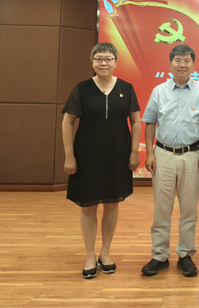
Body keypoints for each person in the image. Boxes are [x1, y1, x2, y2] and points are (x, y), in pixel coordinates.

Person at [62, 42, 141, 279]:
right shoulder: (82, 89)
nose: (103, 63)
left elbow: (136, 122)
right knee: (88, 206)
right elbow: (67, 122)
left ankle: (105, 253)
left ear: (116, 62)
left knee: (112, 203)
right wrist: (69, 156)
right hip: (87, 155)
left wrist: (134, 152)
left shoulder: (126, 88)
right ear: (92, 62)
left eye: (108, 59)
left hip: (117, 155)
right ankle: (90, 255)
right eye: (98, 59)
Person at [140, 44, 199, 277]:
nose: (182, 64)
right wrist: (150, 153)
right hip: (163, 155)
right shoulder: (159, 91)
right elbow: (150, 122)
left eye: (187, 60)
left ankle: (185, 255)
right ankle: (159, 255)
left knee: (189, 209)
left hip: (192, 155)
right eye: (178, 60)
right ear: (170, 64)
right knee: (162, 208)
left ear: (193, 64)